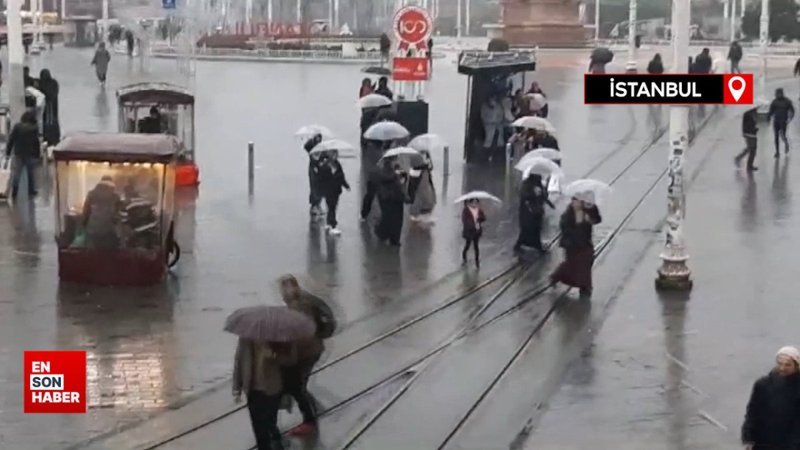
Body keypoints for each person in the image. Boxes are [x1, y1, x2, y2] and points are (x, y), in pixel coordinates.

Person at [278, 275, 332, 437]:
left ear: (293, 287)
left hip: (306, 352)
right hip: (310, 349)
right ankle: (311, 414)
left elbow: (301, 332)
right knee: (297, 386)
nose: (282, 292)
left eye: (284, 288)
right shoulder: (298, 301)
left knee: (296, 386)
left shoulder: (300, 305)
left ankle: (310, 420)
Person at [233, 337, 295, 450]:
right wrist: (237, 387)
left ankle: (275, 437)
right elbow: (239, 359)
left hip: (273, 387)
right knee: (258, 426)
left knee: (270, 420)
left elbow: (290, 360)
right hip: (253, 388)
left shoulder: (278, 336)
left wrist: (274, 356)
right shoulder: (246, 337)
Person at [741, 346, 800, 450]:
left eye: (787, 365)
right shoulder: (762, 384)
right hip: (762, 442)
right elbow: (752, 412)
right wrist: (747, 437)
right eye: (780, 363)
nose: (782, 368)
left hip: (789, 444)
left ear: (797, 366)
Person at [551, 195, 602, 298]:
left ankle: (584, 286)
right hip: (572, 244)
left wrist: (590, 219)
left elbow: (597, 219)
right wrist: (578, 224)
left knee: (586, 262)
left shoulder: (588, 208)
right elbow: (566, 230)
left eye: (579, 201)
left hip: (585, 243)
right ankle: (559, 276)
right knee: (572, 264)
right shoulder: (568, 214)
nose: (577, 204)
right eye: (575, 202)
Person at [5, 111, 41, 201]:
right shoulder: (34, 128)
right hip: (30, 153)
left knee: (17, 173)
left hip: (19, 153)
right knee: (30, 174)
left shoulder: (17, 127)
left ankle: (14, 192)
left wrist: (8, 152)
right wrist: (38, 154)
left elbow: (11, 140)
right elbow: (36, 143)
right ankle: (31, 191)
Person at [515, 174, 554, 252]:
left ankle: (536, 245)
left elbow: (543, 195)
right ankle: (519, 245)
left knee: (536, 229)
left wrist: (549, 202)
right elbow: (523, 195)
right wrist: (534, 194)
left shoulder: (539, 184)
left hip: (537, 211)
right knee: (526, 229)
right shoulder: (527, 184)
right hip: (528, 212)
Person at [82, 175, 124, 248]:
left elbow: (86, 212)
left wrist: (84, 226)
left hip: (93, 230)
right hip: (109, 231)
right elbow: (118, 215)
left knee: (94, 253)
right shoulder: (115, 197)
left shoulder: (91, 194)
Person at [316, 152, 350, 235]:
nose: (336, 156)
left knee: (332, 207)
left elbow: (341, 176)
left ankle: (329, 223)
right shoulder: (325, 166)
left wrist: (346, 185)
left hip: (336, 190)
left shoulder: (337, 164)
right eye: (334, 154)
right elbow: (320, 178)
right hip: (329, 190)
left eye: (336, 154)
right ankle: (333, 225)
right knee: (332, 207)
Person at [407, 151, 436, 221]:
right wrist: (425, 165)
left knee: (425, 193)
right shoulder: (414, 155)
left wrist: (428, 164)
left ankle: (425, 209)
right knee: (419, 194)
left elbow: (431, 167)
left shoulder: (426, 153)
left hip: (424, 177)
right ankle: (418, 211)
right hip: (419, 177)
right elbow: (415, 166)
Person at [768, 88, 794, 157]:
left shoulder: (787, 101)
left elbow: (792, 110)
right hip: (776, 121)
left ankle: (786, 143)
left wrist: (790, 118)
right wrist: (768, 118)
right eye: (777, 94)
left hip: (783, 121)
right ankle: (777, 152)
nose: (778, 95)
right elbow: (771, 111)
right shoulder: (774, 102)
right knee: (776, 137)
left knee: (782, 135)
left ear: (782, 94)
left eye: (779, 93)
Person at [461, 199, 486, 268]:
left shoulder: (479, 210)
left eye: (476, 203)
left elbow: (483, 218)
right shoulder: (466, 210)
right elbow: (464, 220)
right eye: (473, 203)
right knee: (467, 245)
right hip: (469, 231)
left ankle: (477, 260)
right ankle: (464, 258)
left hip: (477, 231)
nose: (474, 204)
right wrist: (471, 225)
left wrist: (479, 219)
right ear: (470, 203)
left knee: (476, 246)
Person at [38, 69, 60, 146]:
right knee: (51, 121)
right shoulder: (54, 83)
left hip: (49, 107)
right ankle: (53, 139)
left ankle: (49, 138)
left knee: (49, 122)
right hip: (51, 108)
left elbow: (49, 94)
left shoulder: (43, 84)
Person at [304, 134, 324, 217]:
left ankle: (318, 205)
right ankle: (314, 205)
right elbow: (306, 146)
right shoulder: (311, 147)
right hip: (313, 169)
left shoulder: (322, 148)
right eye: (317, 138)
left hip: (320, 169)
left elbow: (324, 157)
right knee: (314, 187)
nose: (318, 140)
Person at [735, 107, 759, 172]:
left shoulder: (752, 114)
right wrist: (754, 129)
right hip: (749, 133)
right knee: (752, 149)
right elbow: (748, 125)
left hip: (752, 134)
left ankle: (739, 158)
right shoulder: (748, 114)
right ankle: (749, 165)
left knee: (750, 148)